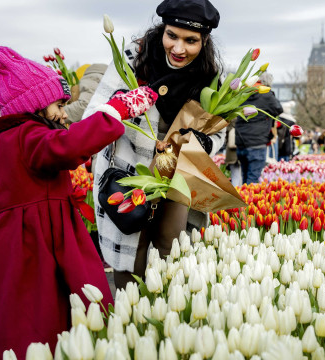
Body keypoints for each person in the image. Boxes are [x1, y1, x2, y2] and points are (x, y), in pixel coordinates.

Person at [0, 46, 155, 359]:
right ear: (35, 105)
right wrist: (114, 111)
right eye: (58, 104)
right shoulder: (27, 136)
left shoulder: (16, 138)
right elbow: (66, 147)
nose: (63, 112)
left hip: (26, 243)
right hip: (33, 249)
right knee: (42, 320)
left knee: (32, 323)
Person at [86, 0, 225, 289]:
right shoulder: (132, 60)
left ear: (205, 40)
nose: (179, 48)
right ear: (162, 29)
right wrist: (123, 107)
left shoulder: (209, 75)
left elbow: (221, 125)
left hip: (177, 172)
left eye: (191, 41)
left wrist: (206, 141)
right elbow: (95, 112)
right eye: (172, 35)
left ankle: (164, 316)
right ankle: (129, 315)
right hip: (130, 169)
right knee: (130, 250)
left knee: (172, 247)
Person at [235, 72, 283, 183]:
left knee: (245, 177)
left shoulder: (243, 92)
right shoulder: (267, 95)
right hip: (257, 143)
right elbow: (278, 109)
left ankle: (243, 198)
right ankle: (248, 200)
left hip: (241, 142)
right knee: (253, 180)